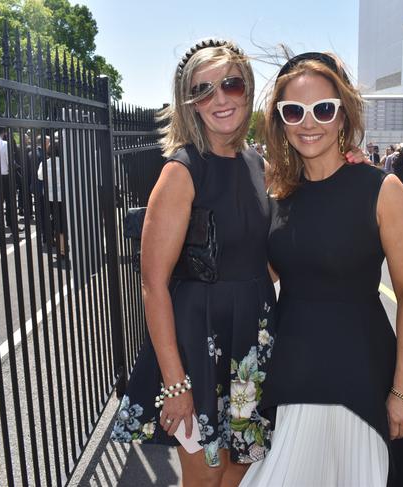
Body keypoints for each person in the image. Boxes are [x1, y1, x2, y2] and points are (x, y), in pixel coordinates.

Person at [240, 52, 403, 486]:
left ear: (342, 114)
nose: (309, 122)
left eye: (323, 109)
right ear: (281, 121)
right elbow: (262, 279)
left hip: (360, 374)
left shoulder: (384, 189)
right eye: (294, 111)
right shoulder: (278, 193)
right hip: (290, 373)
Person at [109, 39, 278, 487]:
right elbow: (152, 284)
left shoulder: (256, 165)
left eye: (230, 84)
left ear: (247, 88)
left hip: (250, 340)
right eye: (203, 90)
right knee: (205, 474)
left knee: (239, 469)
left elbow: (265, 258)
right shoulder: (181, 170)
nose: (219, 98)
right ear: (190, 104)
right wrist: (175, 382)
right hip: (198, 346)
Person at [37, 135, 66, 258]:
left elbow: (40, 177)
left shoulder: (45, 163)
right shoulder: (66, 163)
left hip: (50, 196)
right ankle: (63, 249)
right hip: (63, 197)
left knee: (52, 220)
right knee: (63, 222)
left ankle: (52, 241)